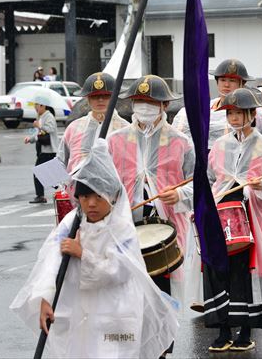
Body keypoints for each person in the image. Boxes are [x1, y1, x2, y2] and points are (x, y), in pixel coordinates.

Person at [10, 139, 179, 358]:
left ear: (113, 196)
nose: (91, 204)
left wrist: (83, 254)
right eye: (85, 196)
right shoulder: (71, 224)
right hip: (80, 312)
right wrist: (46, 297)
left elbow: (118, 270)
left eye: (98, 197)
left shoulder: (122, 229)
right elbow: (51, 261)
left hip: (117, 315)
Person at [203, 88, 262, 352]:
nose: (235, 117)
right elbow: (208, 179)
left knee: (245, 270)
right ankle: (223, 329)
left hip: (251, 213)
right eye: (230, 113)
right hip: (222, 212)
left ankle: (247, 330)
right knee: (218, 268)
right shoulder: (218, 145)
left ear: (252, 114)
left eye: (240, 112)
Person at [107, 75, 194, 309]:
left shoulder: (180, 141)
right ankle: (139, 340)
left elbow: (197, 183)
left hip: (166, 225)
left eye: (151, 101)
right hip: (127, 223)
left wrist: (180, 195)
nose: (144, 106)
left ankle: (165, 342)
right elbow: (105, 183)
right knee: (131, 287)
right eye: (139, 100)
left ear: (165, 105)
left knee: (163, 288)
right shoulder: (115, 140)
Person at [55, 73, 129, 212]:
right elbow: (60, 160)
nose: (100, 100)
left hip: (114, 199)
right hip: (78, 200)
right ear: (87, 99)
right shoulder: (74, 128)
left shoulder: (125, 129)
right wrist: (59, 187)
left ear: (114, 97)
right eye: (95, 96)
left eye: (106, 96)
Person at [172, 59, 262, 151]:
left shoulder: (257, 113)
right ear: (217, 82)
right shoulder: (204, 109)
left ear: (242, 83)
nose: (226, 85)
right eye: (222, 80)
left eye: (232, 80)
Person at [25, 96, 60, 204]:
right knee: (48, 172)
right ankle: (57, 185)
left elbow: (50, 129)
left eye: (37, 105)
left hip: (49, 149)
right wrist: (30, 139)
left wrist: (39, 125)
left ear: (43, 105)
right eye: (35, 105)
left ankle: (40, 196)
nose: (35, 107)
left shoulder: (49, 116)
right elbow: (38, 134)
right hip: (43, 149)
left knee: (38, 171)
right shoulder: (40, 117)